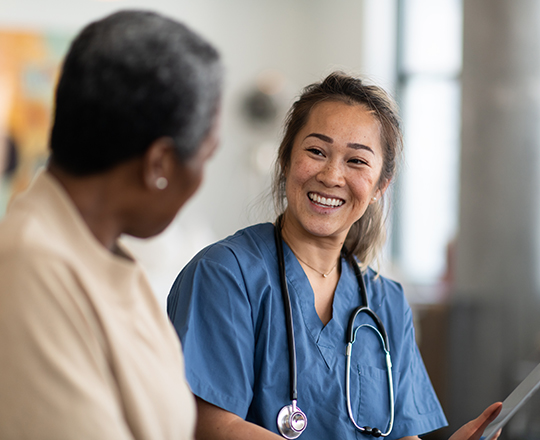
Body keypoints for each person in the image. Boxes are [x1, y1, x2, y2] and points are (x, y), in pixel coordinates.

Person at [167, 72, 501, 440]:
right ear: (286, 159)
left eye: (356, 161)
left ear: (380, 186)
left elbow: (401, 434)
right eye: (316, 151)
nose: (331, 175)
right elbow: (213, 426)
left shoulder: (386, 301)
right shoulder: (224, 275)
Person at [0, 10, 222, 440]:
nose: (202, 177)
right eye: (206, 156)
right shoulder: (30, 270)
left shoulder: (107, 258)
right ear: (159, 164)